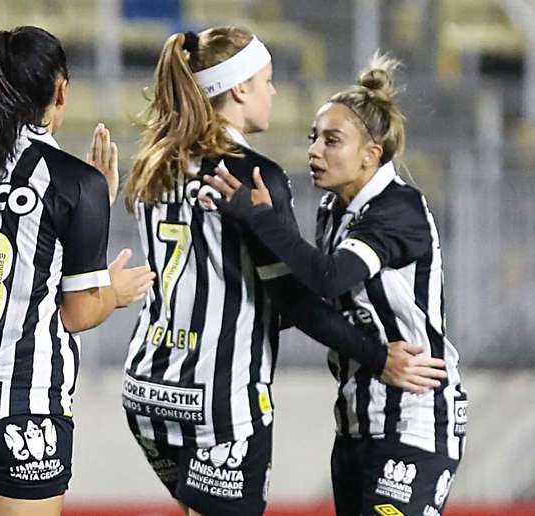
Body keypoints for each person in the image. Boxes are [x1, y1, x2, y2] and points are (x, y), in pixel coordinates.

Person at [121, 29, 447, 516]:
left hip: (148, 386)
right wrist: (379, 356)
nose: (273, 91)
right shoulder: (255, 175)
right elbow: (297, 297)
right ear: (239, 89)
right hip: (219, 397)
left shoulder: (155, 162)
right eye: (267, 80)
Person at [207, 54, 466, 516]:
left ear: (371, 154)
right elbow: (310, 300)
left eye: (331, 140)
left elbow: (330, 276)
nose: (314, 151)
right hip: (355, 423)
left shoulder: (398, 209)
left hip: (415, 417)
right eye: (312, 138)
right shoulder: (333, 210)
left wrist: (262, 220)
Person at [0, 26, 155, 516]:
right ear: (60, 89)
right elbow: (78, 314)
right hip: (20, 413)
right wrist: (114, 288)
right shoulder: (73, 180)